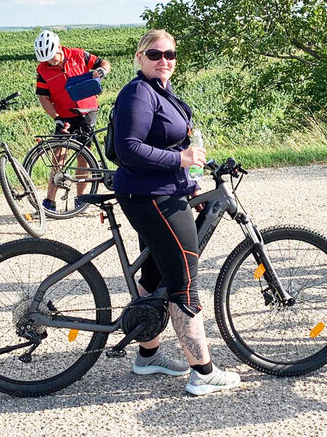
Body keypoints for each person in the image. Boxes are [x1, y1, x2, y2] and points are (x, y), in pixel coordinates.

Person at [112, 29, 240, 396]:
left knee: (154, 277)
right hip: (152, 197)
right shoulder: (138, 92)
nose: (163, 60)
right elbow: (129, 147)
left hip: (165, 192)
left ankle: (147, 355)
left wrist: (190, 174)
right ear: (140, 58)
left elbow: (170, 142)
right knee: (184, 282)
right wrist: (180, 159)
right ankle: (203, 372)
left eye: (169, 54)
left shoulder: (161, 94)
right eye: (155, 54)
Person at [34, 29, 111, 212]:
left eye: (53, 56)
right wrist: (56, 118)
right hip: (64, 114)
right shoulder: (42, 70)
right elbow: (44, 98)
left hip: (87, 109)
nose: (51, 61)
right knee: (58, 156)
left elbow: (105, 63)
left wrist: (101, 71)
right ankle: (49, 201)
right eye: (47, 59)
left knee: (83, 155)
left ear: (59, 47)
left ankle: (81, 198)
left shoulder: (78, 55)